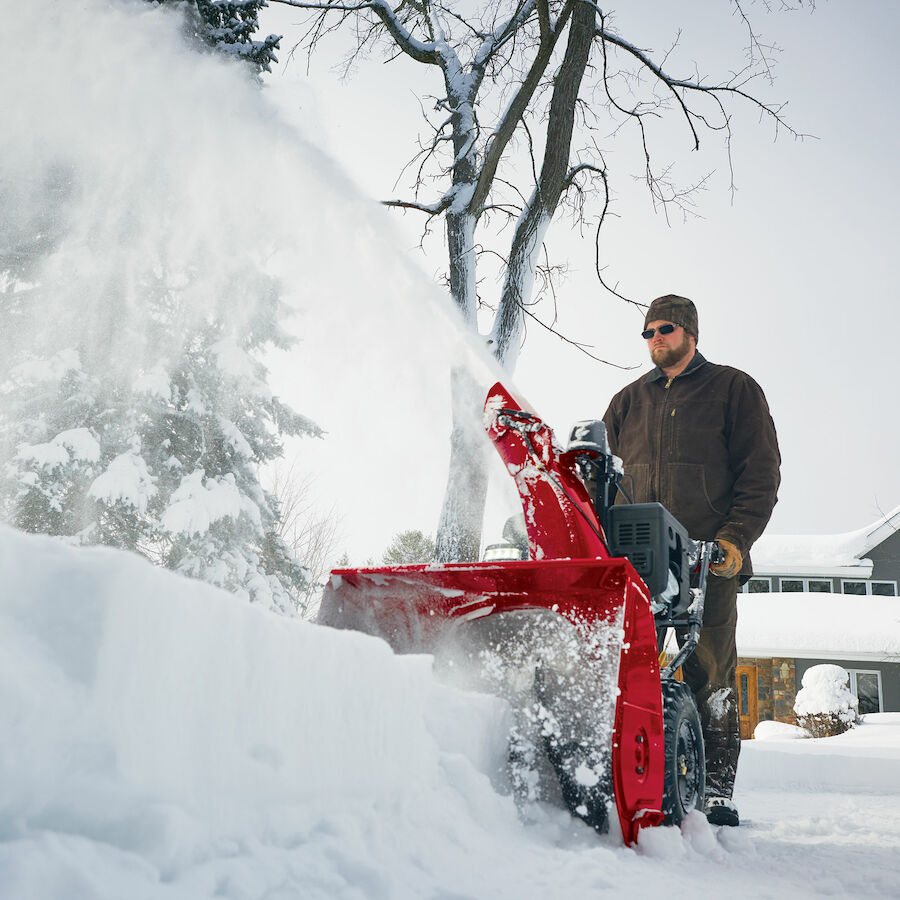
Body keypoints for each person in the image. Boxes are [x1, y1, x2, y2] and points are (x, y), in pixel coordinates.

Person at [602, 294, 780, 827]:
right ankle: (634, 778)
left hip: (708, 557)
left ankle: (716, 792)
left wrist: (735, 540)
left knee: (711, 670)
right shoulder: (627, 402)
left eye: (665, 329)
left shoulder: (732, 389)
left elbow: (761, 474)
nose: (655, 337)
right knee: (626, 668)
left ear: (690, 333)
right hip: (636, 561)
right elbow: (602, 483)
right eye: (648, 331)